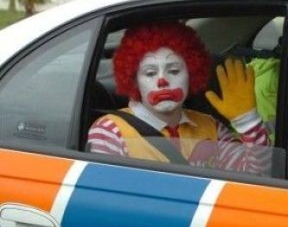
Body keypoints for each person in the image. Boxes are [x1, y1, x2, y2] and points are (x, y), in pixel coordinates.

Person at [87, 21, 271, 175]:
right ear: (134, 80)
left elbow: (260, 176)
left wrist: (247, 120)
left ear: (191, 74)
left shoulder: (211, 127)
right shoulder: (110, 131)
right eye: (150, 73)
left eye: (174, 70)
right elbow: (109, 201)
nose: (162, 80)